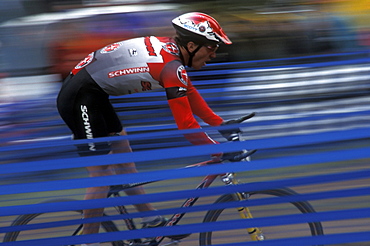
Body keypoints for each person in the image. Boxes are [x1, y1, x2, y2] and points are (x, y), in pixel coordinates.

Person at [57, 12, 233, 246]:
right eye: (211, 47)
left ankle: (150, 220)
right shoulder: (172, 67)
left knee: (125, 159)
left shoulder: (174, 55)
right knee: (102, 174)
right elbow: (186, 126)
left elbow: (189, 93)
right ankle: (86, 242)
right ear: (191, 45)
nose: (213, 54)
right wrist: (218, 149)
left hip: (94, 94)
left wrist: (221, 124)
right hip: (80, 98)